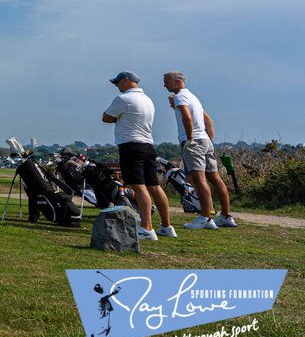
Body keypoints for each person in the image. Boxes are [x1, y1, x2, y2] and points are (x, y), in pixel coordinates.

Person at [101, 71, 176, 240]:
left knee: (138, 186)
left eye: (118, 82)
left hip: (130, 146)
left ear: (127, 81)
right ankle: (166, 226)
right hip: (148, 145)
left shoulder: (124, 99)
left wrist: (118, 118)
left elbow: (106, 117)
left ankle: (147, 228)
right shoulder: (147, 100)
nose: (116, 86)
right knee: (154, 186)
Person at [162, 72, 237, 229]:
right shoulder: (193, 96)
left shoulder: (180, 97)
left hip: (193, 141)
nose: (165, 85)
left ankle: (205, 218)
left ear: (177, 82)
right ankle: (225, 216)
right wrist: (209, 140)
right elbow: (208, 120)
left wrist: (190, 139)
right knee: (215, 178)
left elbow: (187, 118)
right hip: (204, 140)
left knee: (199, 179)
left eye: (167, 82)